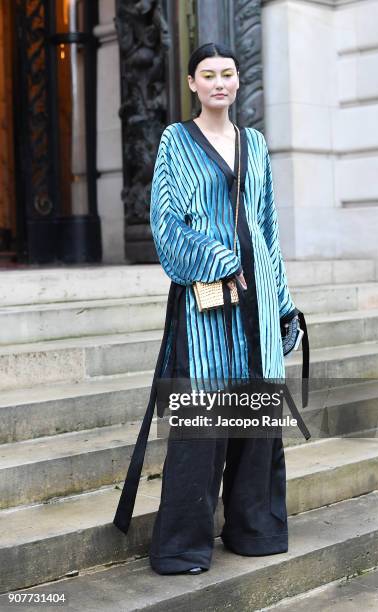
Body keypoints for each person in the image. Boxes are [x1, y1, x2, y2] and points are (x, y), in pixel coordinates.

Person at [113, 42, 310, 575]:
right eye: (208, 75)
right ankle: (181, 546)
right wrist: (219, 259)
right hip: (206, 309)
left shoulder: (257, 143)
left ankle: (256, 531)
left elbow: (268, 229)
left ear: (239, 82)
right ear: (193, 84)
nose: (219, 82)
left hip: (258, 308)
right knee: (200, 431)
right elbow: (166, 225)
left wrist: (284, 303)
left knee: (257, 425)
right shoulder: (175, 142)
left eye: (227, 74)